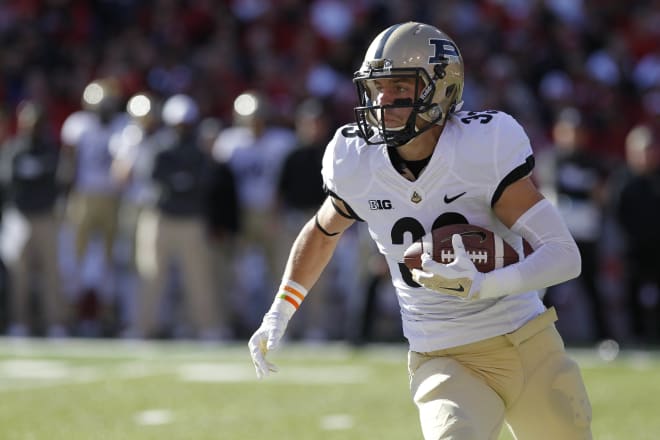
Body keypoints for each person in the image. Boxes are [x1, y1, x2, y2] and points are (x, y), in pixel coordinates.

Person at [248, 22, 592, 440]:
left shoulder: (483, 146)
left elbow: (563, 255)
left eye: (399, 88)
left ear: (442, 89)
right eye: (376, 89)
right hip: (441, 354)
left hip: (526, 341)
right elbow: (323, 231)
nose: (382, 102)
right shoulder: (355, 159)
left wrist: (482, 284)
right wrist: (279, 312)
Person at [536, 108, 612, 342]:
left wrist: (586, 192)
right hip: (558, 235)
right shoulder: (550, 159)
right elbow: (553, 189)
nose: (573, 136)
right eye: (568, 131)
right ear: (558, 132)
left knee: (591, 288)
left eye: (578, 131)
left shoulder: (594, 161)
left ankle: (604, 338)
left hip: (587, 234)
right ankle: (538, 337)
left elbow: (601, 195)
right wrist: (585, 190)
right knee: (548, 289)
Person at [0, 100, 69, 337]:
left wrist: (33, 177)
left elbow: (59, 181)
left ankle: (55, 322)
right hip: (19, 217)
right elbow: (8, 180)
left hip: (46, 216)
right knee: (19, 273)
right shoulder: (13, 149)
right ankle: (20, 322)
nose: (33, 128)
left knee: (52, 272)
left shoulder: (51, 150)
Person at [608, 124, 660, 345]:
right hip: (631, 249)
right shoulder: (621, 179)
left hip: (657, 248)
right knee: (631, 295)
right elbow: (615, 214)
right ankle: (636, 338)